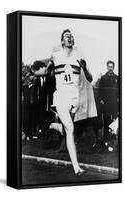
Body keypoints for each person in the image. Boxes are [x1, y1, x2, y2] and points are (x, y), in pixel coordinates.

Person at [47, 29, 97, 175]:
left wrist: (84, 67)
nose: (69, 37)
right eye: (66, 36)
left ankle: (54, 125)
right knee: (70, 129)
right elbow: (48, 71)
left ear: (73, 41)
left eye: (71, 36)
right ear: (62, 41)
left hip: (74, 99)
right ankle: (77, 168)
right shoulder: (55, 56)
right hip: (61, 96)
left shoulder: (79, 56)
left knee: (69, 130)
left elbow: (90, 78)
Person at [98, 60, 118, 146]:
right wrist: (101, 99)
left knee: (114, 121)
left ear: (114, 67)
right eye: (109, 66)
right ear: (107, 67)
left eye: (111, 67)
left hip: (114, 103)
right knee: (106, 121)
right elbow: (99, 90)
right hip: (106, 103)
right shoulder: (103, 78)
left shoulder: (117, 78)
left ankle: (114, 139)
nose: (110, 68)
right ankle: (105, 139)